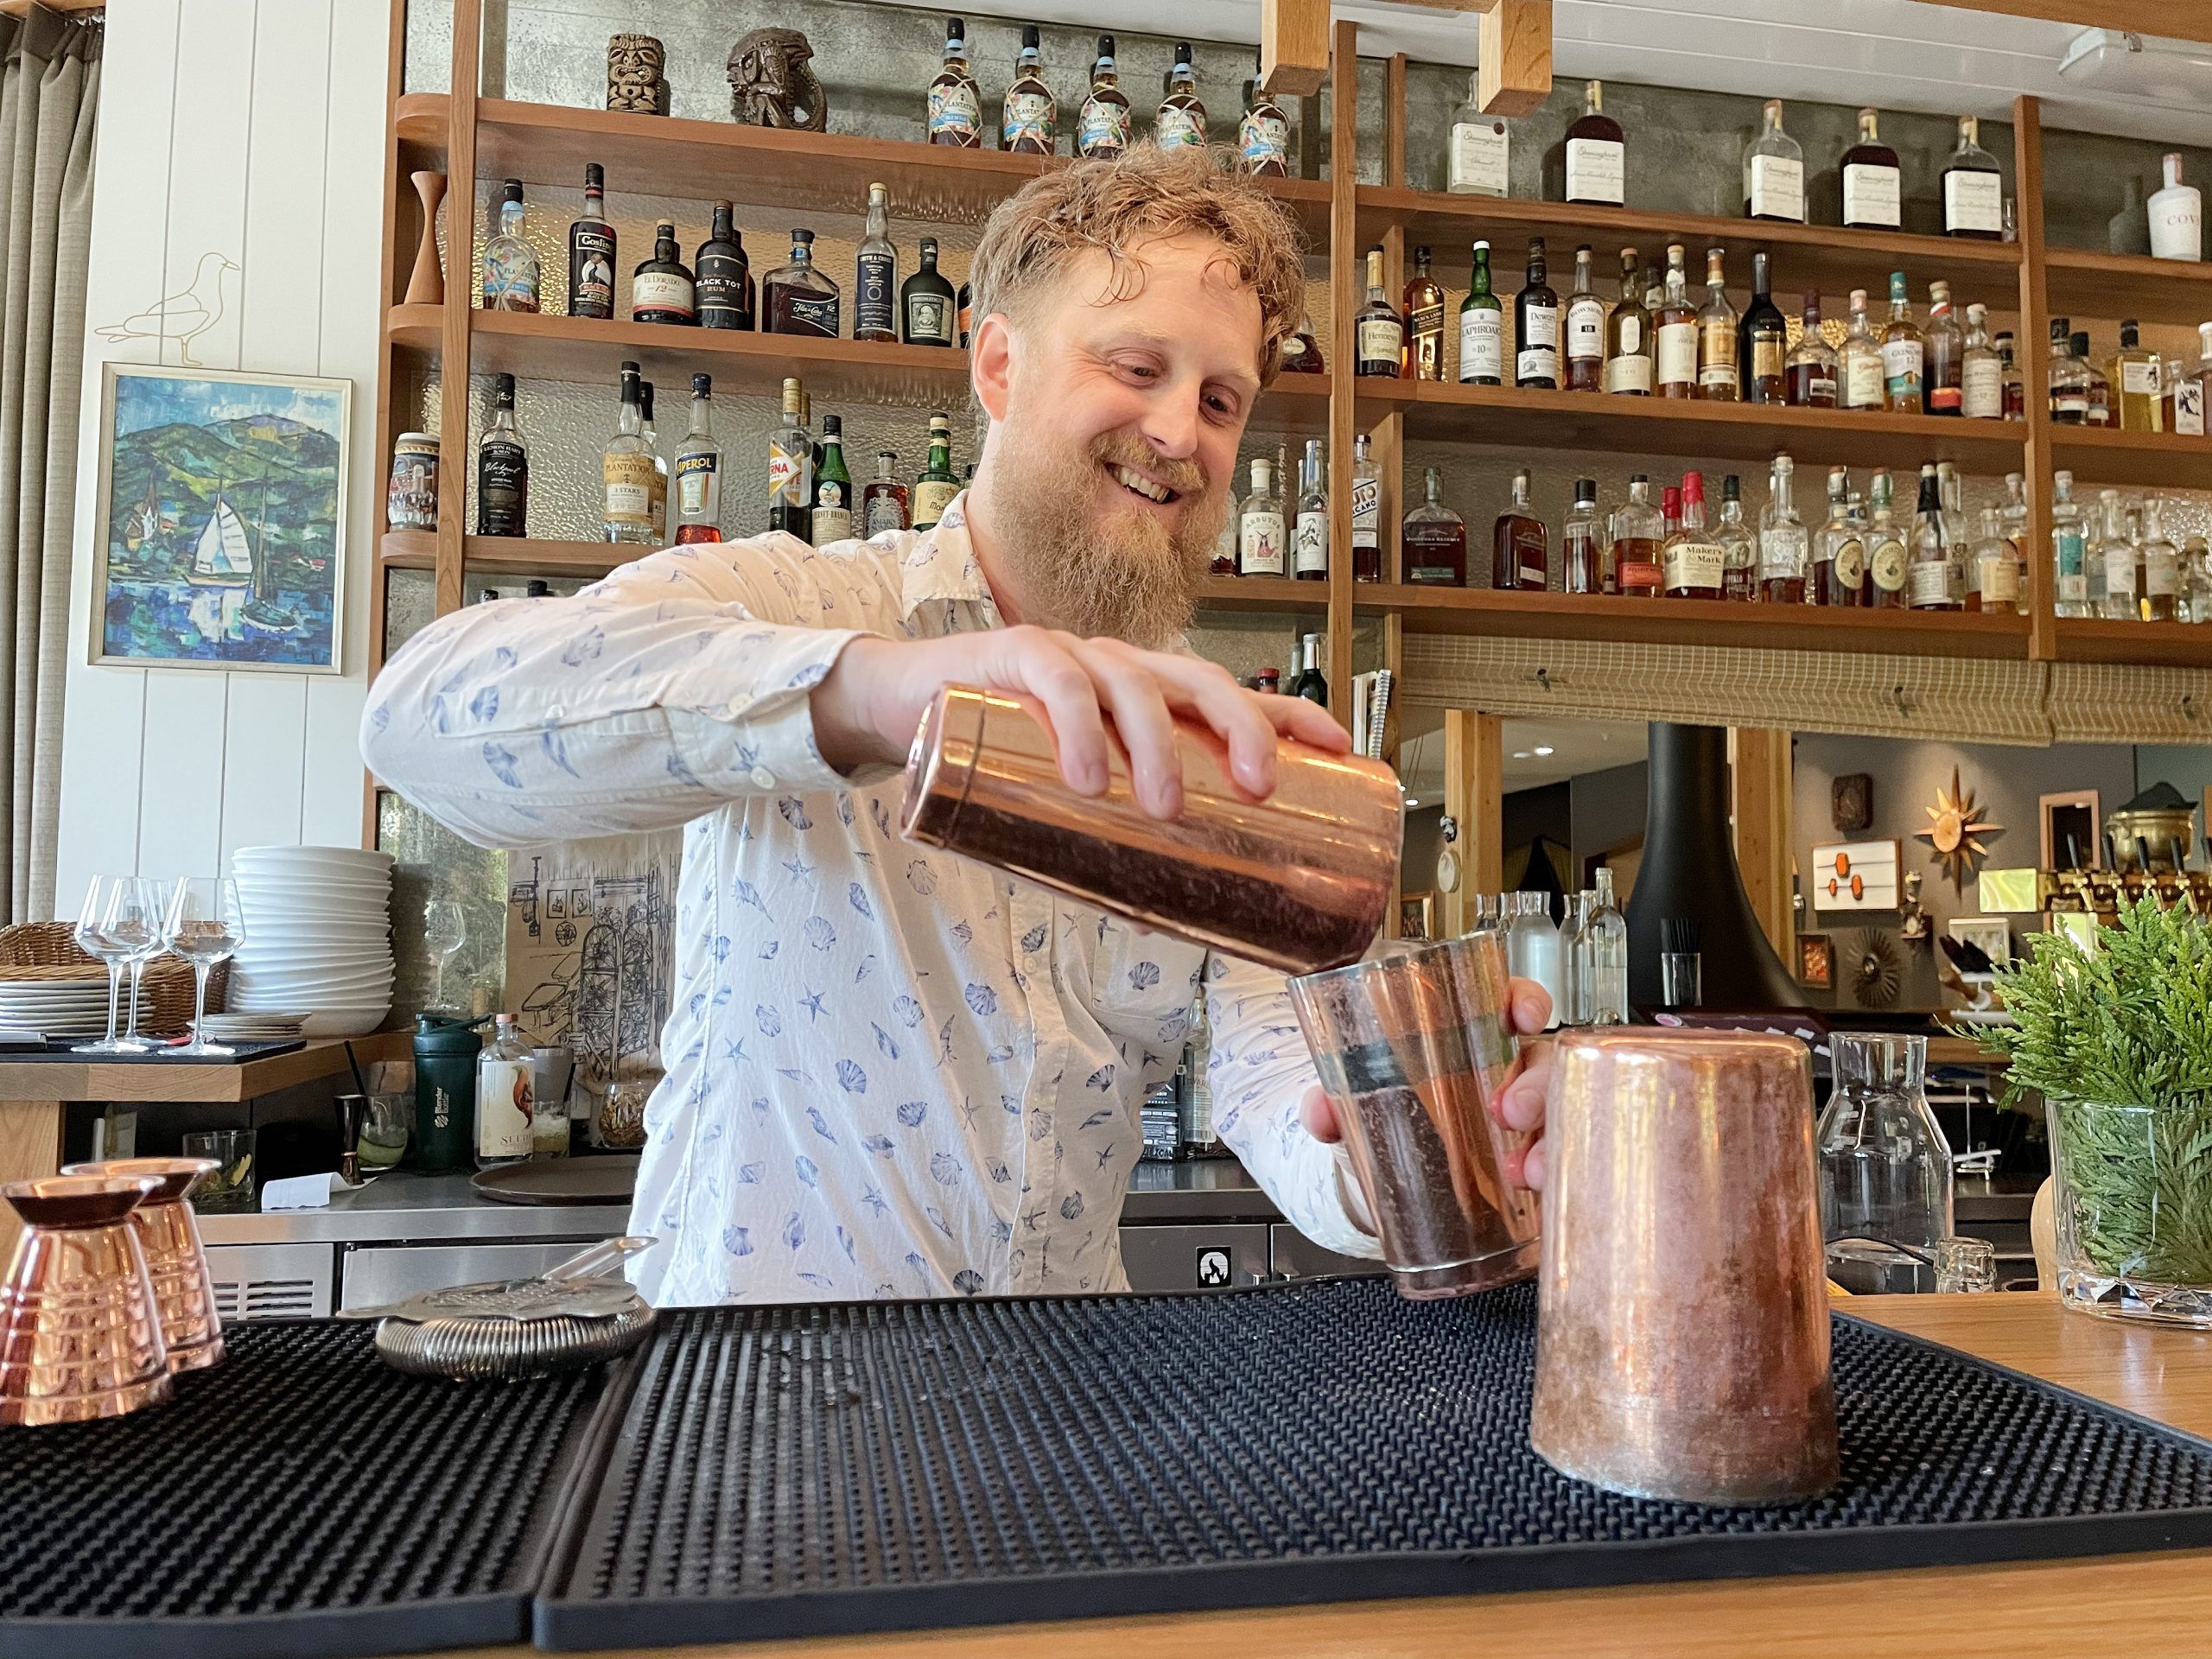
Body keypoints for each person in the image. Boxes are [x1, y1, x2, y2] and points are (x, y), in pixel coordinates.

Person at [362, 144, 1551, 1306]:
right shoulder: (810, 607)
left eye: (1221, 398)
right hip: (754, 1418)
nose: (1183, 433)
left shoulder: (1207, 736)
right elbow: (421, 720)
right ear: (997, 369)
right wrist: (877, 696)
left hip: (1055, 1412)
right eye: (1136, 367)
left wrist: (1413, 1152)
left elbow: (1270, 1078)